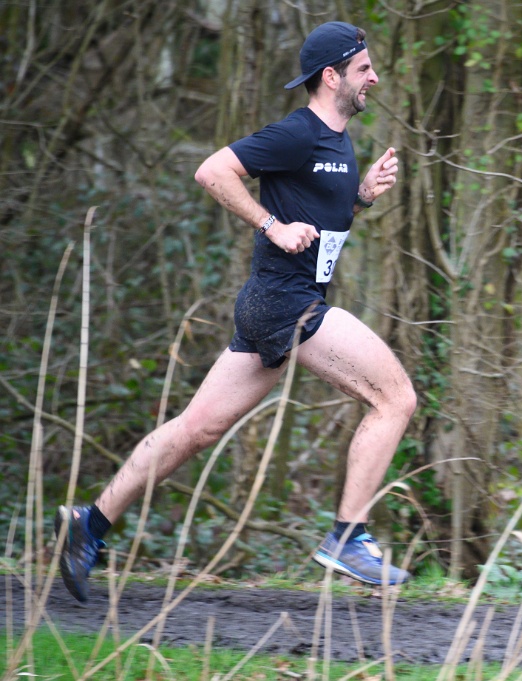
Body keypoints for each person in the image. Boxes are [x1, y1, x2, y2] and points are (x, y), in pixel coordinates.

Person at [54, 21, 417, 602]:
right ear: (331, 77)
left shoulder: (337, 142)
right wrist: (272, 226)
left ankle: (89, 523)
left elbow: (321, 219)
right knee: (395, 398)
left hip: (273, 305)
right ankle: (348, 538)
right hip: (285, 302)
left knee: (197, 428)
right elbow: (212, 170)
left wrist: (362, 197)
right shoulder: (297, 133)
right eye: (364, 68)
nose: (374, 77)